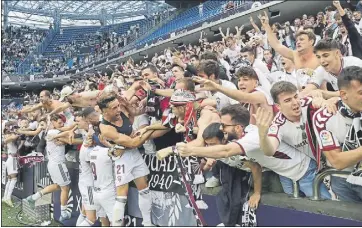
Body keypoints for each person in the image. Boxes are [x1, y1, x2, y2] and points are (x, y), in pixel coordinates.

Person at [253, 81, 332, 199]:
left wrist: (327, 102)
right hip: (315, 169)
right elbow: (269, 151)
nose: (295, 103)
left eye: (295, 97)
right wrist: (262, 134)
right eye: (287, 100)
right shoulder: (278, 125)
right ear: (278, 106)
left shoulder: (310, 104)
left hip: (336, 163)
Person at [97, 91, 155, 226]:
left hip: (133, 154)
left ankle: (147, 223)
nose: (118, 109)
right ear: (104, 111)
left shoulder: (120, 109)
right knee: (121, 196)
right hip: (122, 158)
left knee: (144, 189)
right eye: (114, 108)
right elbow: (133, 143)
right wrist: (150, 130)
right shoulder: (106, 128)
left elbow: (134, 113)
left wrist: (127, 104)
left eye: (118, 106)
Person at [312, 66, 362, 203]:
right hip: (342, 180)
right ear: (344, 95)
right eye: (361, 92)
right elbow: (338, 161)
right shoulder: (325, 117)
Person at [24, 114, 81, 222]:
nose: (61, 124)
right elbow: (70, 138)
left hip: (53, 164)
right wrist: (75, 127)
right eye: (59, 123)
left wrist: (72, 129)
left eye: (62, 122)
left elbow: (67, 133)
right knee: (65, 188)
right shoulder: (53, 132)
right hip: (58, 164)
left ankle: (33, 198)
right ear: (53, 123)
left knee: (57, 186)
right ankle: (64, 212)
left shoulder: (52, 132)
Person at [193, 66, 275, 125]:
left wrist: (216, 87)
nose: (241, 83)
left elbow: (243, 97)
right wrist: (219, 113)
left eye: (245, 79)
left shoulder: (260, 94)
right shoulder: (248, 96)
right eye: (239, 80)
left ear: (256, 83)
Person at [2, 125, 20, 207]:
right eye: (6, 132)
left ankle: (5, 197)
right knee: (13, 179)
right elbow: (14, 137)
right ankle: (8, 198)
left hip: (11, 159)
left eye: (8, 132)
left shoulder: (9, 139)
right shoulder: (8, 139)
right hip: (12, 159)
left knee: (9, 179)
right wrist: (17, 132)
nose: (7, 134)